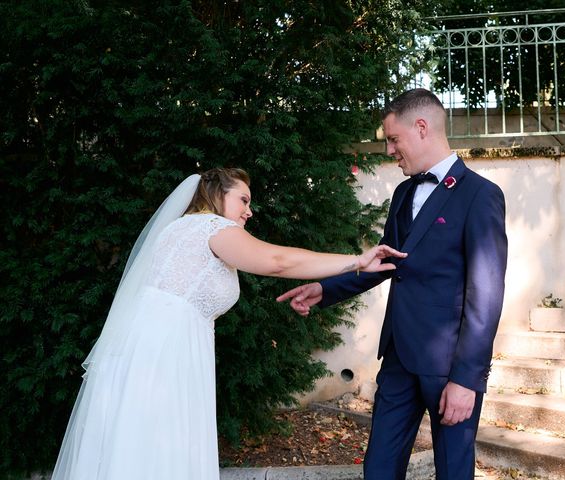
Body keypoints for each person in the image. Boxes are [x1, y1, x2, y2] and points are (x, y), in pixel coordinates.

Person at [51, 167, 407, 480]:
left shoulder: (177, 231)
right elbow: (278, 261)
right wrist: (358, 261)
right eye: (243, 200)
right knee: (161, 447)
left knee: (133, 447)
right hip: (166, 354)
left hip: (145, 349)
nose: (249, 212)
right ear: (216, 195)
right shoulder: (212, 226)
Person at [277, 88, 508, 480]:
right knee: (379, 468)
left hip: (448, 365)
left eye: (393, 139)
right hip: (399, 358)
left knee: (453, 471)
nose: (388, 150)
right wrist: (325, 289)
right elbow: (387, 264)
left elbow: (485, 294)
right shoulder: (403, 193)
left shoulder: (481, 195)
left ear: (421, 128)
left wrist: (466, 379)